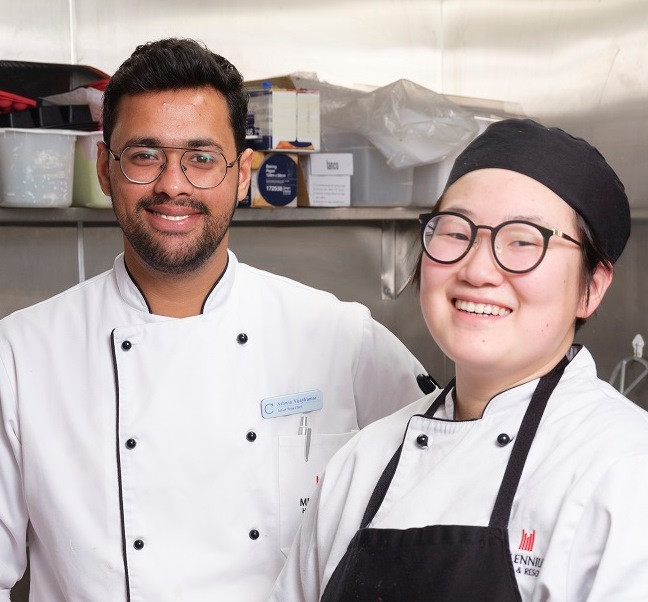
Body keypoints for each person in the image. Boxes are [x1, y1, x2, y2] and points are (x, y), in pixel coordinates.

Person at [0, 38, 430, 601]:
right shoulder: (21, 354)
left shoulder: (340, 336)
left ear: (242, 174)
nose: (172, 184)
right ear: (106, 170)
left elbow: (443, 489)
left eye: (201, 158)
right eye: (144, 155)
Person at [270, 118, 648, 601]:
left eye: (523, 240)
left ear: (591, 288)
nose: (477, 269)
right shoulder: (363, 463)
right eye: (455, 231)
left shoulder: (625, 472)